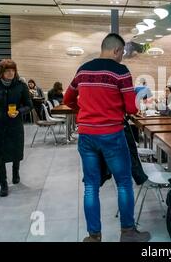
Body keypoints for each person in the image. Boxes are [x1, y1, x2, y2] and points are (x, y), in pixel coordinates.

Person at [64, 33, 150, 242]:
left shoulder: (82, 70)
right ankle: (128, 233)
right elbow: (131, 107)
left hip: (86, 136)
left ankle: (94, 237)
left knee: (91, 186)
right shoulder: (120, 71)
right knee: (123, 183)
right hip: (112, 134)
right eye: (122, 53)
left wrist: (83, 112)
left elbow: (68, 99)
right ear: (116, 50)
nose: (122, 58)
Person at [0, 59, 32, 197]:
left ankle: (15, 172)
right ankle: (3, 184)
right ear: (1, 72)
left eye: (13, 70)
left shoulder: (21, 86)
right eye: (7, 70)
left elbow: (29, 105)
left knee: (15, 151)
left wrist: (20, 111)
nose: (11, 73)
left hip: (15, 125)